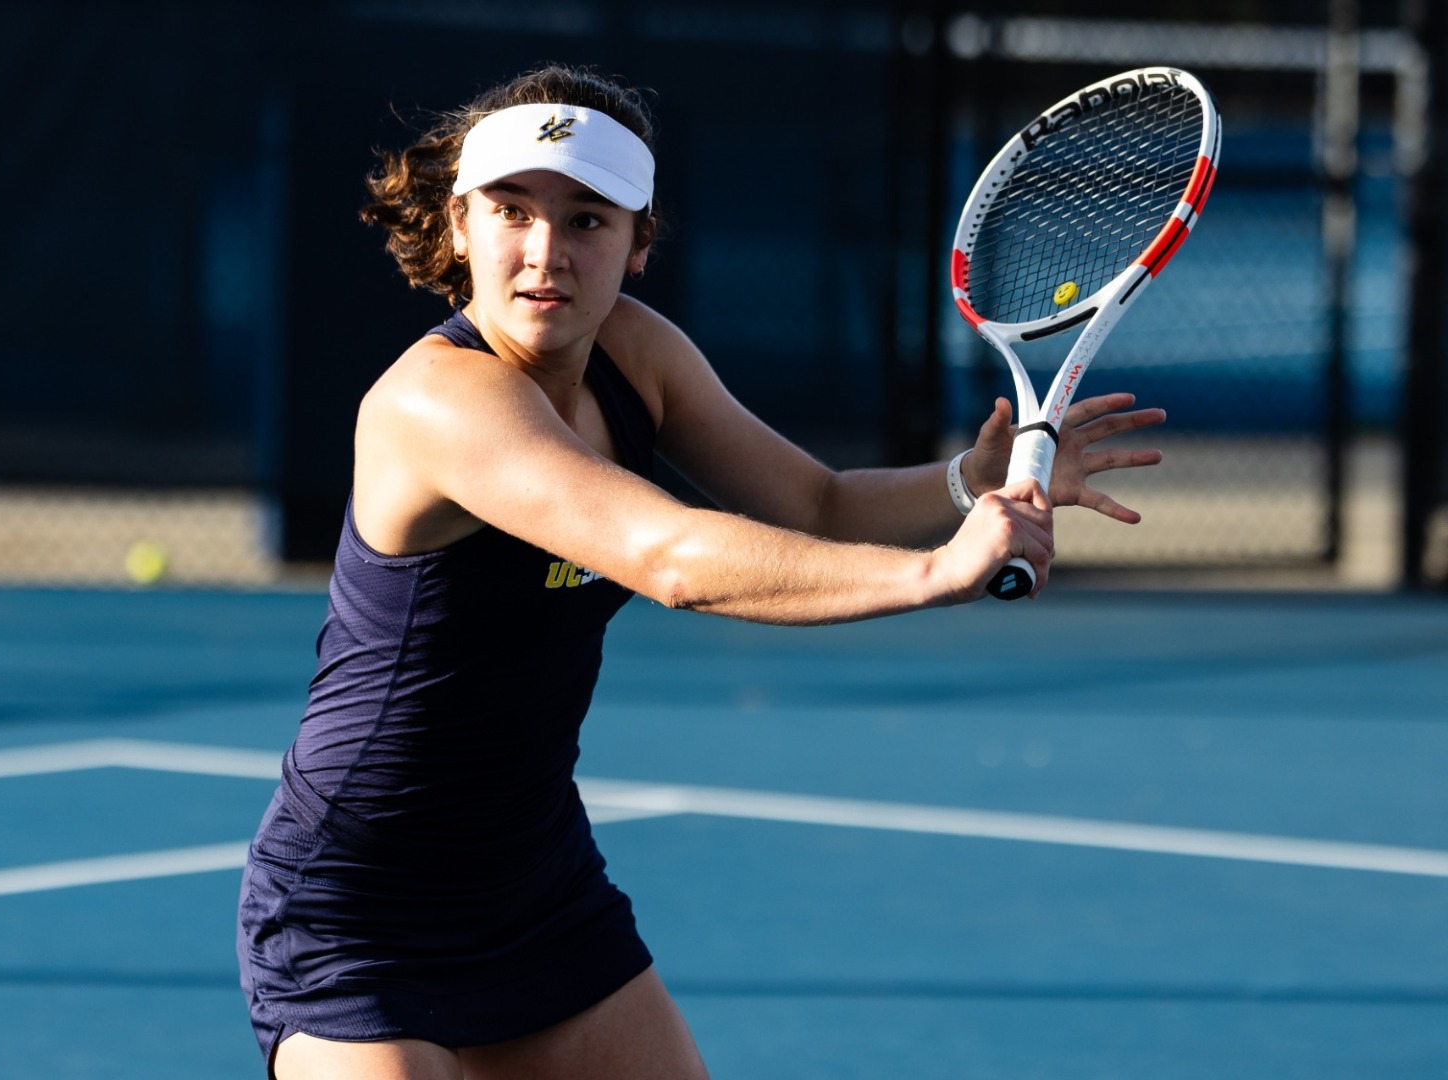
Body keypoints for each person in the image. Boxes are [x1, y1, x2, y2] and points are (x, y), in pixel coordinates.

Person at [237, 65, 1164, 1080]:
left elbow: (813, 500)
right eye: (512, 211)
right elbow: (670, 556)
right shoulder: (440, 403)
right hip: (358, 909)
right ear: (460, 225)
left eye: (587, 220)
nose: (545, 252)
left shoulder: (638, 357)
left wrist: (965, 479)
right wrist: (937, 574)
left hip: (532, 885)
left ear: (639, 244)